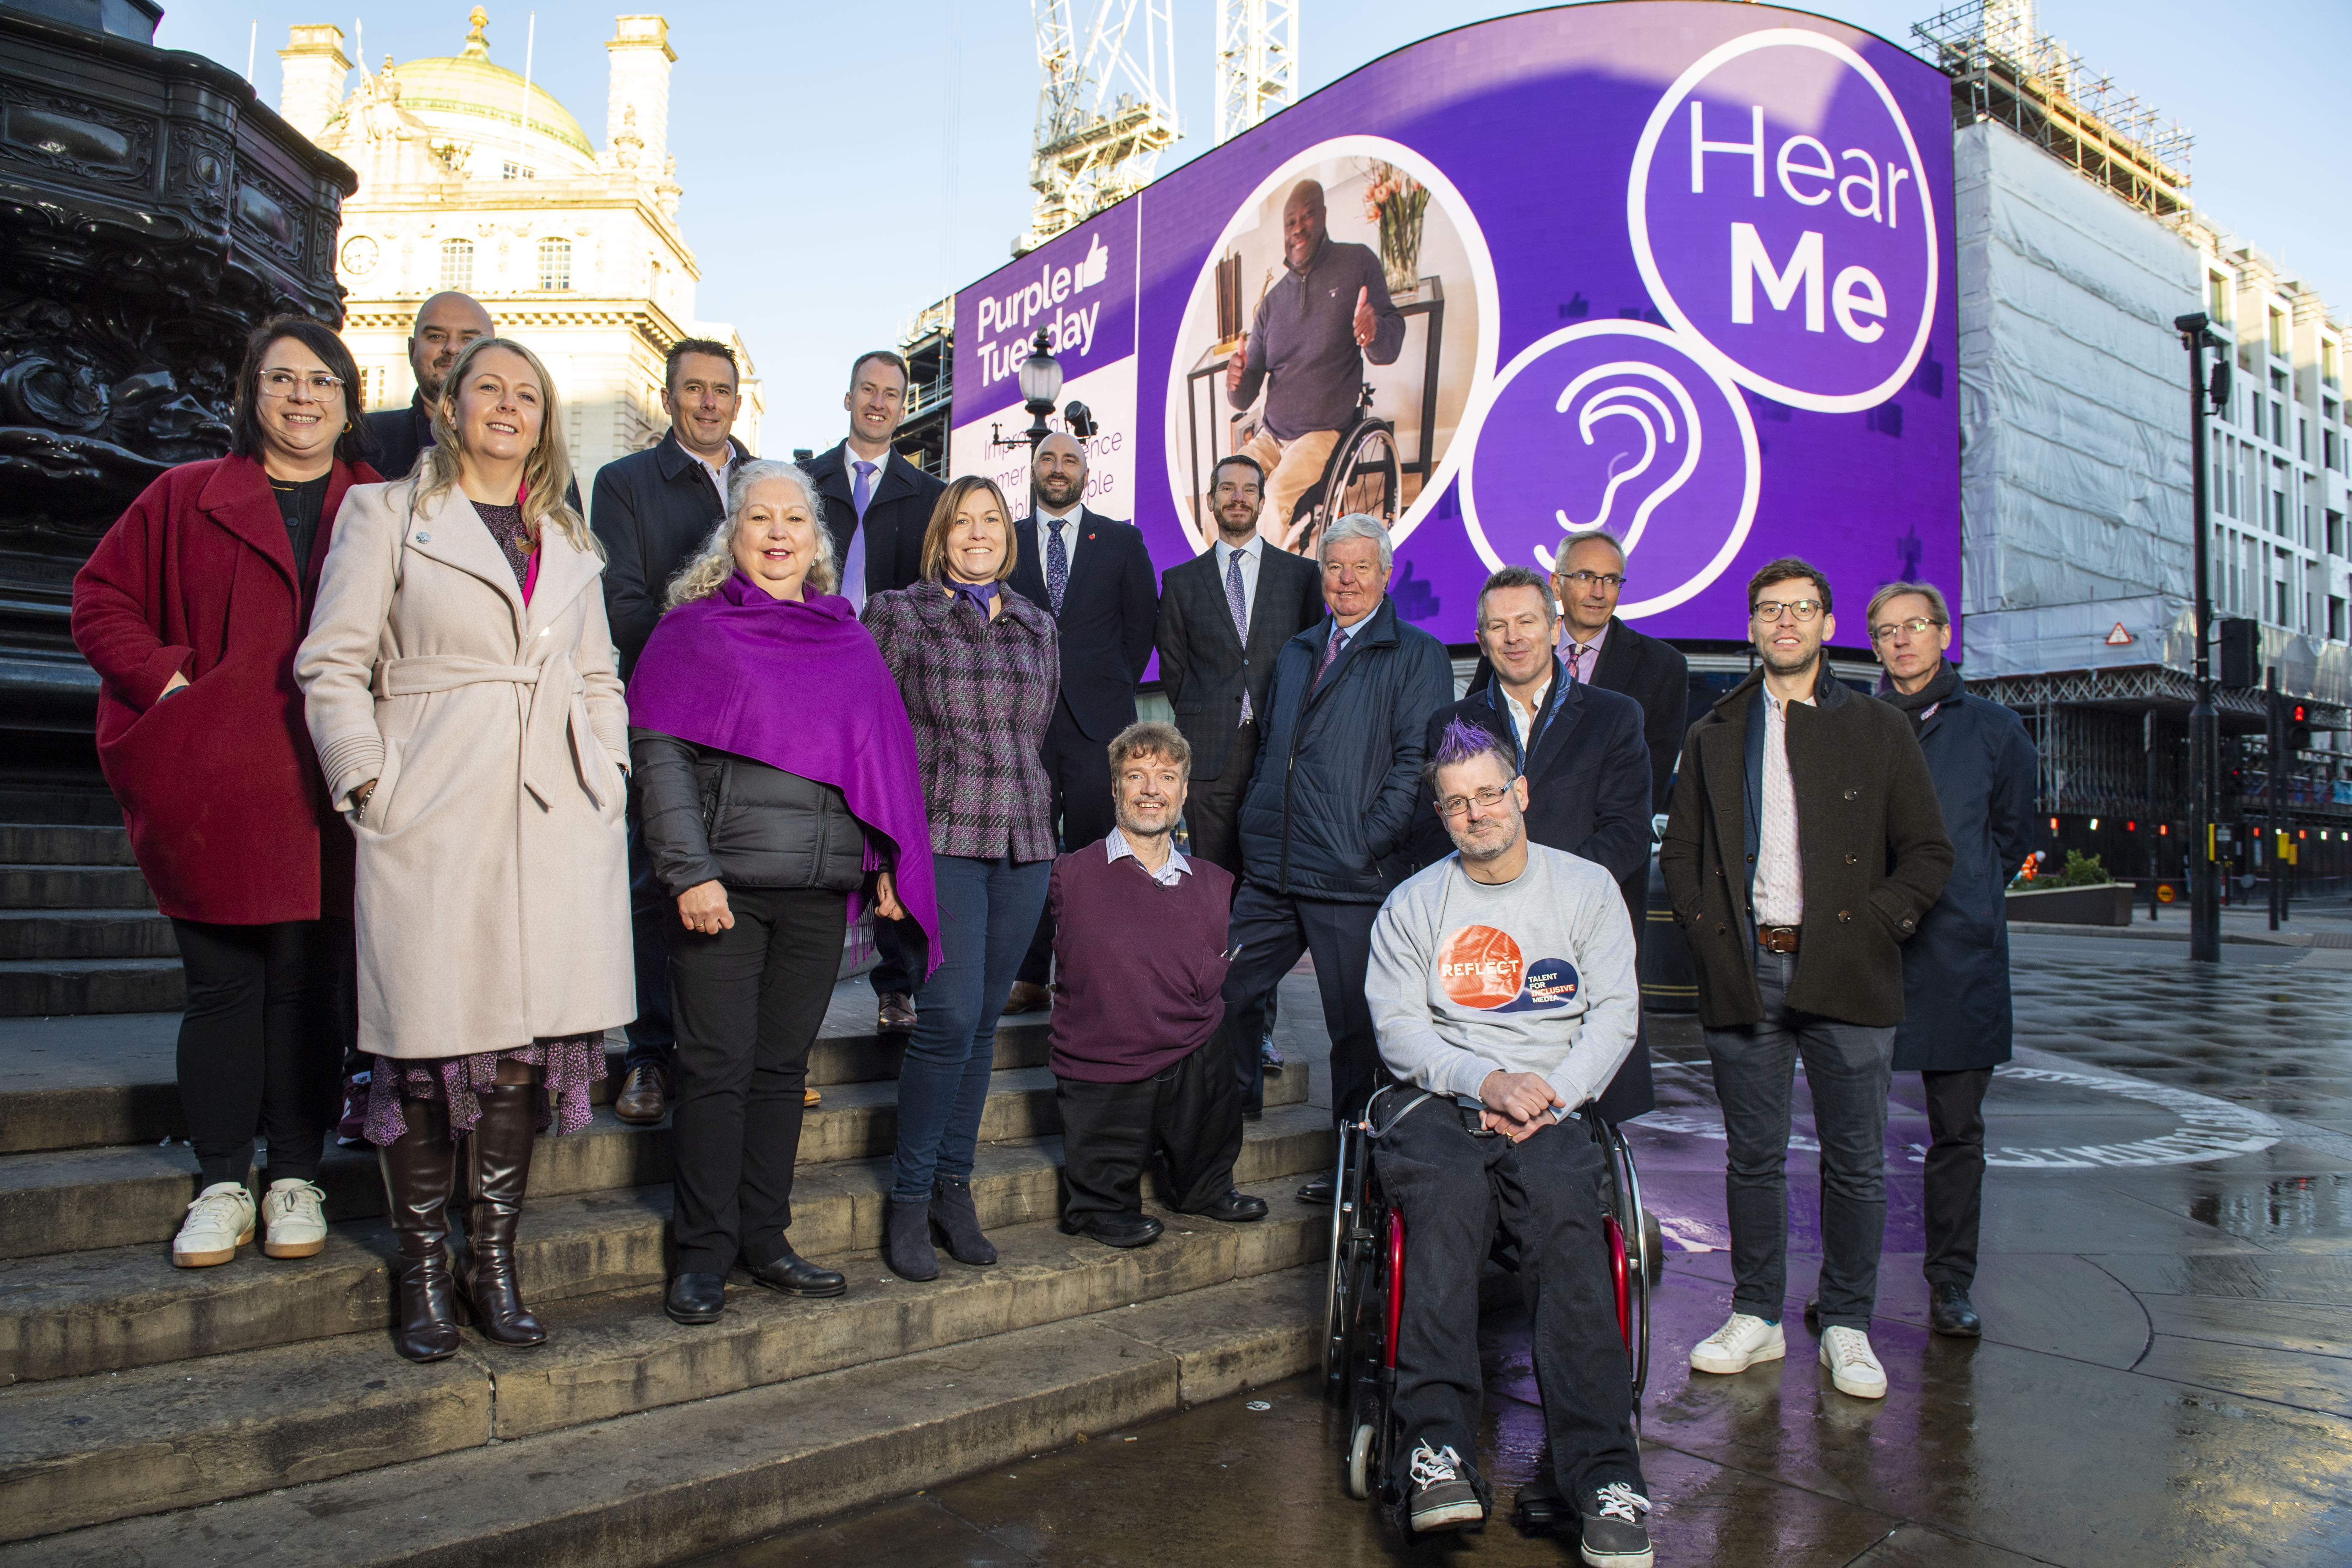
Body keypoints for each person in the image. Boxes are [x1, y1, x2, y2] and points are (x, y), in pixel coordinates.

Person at [297, 336, 633, 1364]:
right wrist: (366, 778)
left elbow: (597, 674)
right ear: (446, 407)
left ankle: (494, 1261)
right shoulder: (385, 513)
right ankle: (424, 1271)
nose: (506, 405)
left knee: (523, 1052)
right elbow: (332, 663)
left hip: (552, 816)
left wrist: (605, 772)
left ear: (544, 421)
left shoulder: (569, 534)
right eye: (486, 386)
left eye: (525, 394)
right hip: (434, 800)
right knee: (429, 1042)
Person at [71, 317, 381, 1269]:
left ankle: (294, 1170)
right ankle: (218, 1178)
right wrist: (171, 684)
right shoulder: (183, 494)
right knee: (221, 988)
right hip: (218, 784)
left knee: (309, 990)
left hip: (328, 783)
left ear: (346, 401)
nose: (301, 397)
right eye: (282, 379)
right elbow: (99, 599)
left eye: (321, 382)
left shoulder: (380, 503)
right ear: (251, 393)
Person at [627, 459, 939, 1324]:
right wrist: (689, 871)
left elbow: (876, 765)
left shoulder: (847, 637)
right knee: (717, 1070)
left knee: (778, 1072)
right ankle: (701, 1254)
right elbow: (661, 758)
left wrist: (883, 864)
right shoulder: (693, 631)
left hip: (817, 888)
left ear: (817, 541)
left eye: (792, 520)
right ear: (733, 536)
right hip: (721, 887)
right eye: (758, 518)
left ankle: (764, 1237)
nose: (776, 533)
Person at [1659, 557, 1952, 1400]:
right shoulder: (1714, 728)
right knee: (1753, 1156)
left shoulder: (1878, 726)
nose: (1785, 621)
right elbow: (1683, 849)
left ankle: (1849, 1324)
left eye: (1802, 608)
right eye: (1769, 609)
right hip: (1747, 965)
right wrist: (1707, 928)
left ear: (1827, 624)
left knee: (1856, 1157)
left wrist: (1877, 922)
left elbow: (1930, 852)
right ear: (1752, 625)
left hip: (1848, 964)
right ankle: (1755, 1315)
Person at [1365, 720, 1652, 1563]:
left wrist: (1548, 1093)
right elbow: (1398, 1032)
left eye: (1489, 792)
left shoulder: (1587, 887)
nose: (1475, 812)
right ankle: (1438, 1449)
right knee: (1447, 1202)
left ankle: (1603, 1472)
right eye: (1455, 802)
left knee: (1568, 1210)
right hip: (1437, 1098)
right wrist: (1484, 1081)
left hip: (1553, 1101)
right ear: (1442, 813)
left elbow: (1615, 1017)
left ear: (1520, 791)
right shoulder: (1413, 904)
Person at [863, 476, 1059, 1282]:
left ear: (1006, 536)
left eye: (991, 521)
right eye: (963, 522)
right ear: (940, 533)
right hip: (938, 836)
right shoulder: (899, 613)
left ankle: (954, 1190)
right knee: (944, 1017)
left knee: (983, 1024)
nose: (977, 533)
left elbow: (1036, 732)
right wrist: (881, 859)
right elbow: (872, 740)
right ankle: (908, 1200)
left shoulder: (1037, 624)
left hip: (1023, 841)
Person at [1218, 513, 1453, 1176]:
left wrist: (1367, 843)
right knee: (1225, 989)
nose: (1346, 580)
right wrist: (1255, 827)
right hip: (1274, 869)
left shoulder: (1418, 654)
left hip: (1353, 874)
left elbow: (1417, 762)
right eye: (1334, 566)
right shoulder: (1297, 650)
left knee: (1354, 1030)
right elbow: (1271, 749)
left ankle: (1356, 1169)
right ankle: (1231, 1117)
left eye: (1360, 567)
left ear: (1386, 573)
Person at [1410, 565, 1654, 1122]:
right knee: (1481, 1108)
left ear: (1554, 628)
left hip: (1576, 934)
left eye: (1526, 621)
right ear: (1481, 639)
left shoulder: (1614, 717)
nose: (1513, 637)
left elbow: (1626, 831)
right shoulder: (1449, 724)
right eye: (1498, 626)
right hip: (1479, 942)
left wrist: (1546, 895)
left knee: (1581, 1116)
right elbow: (1432, 828)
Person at [591, 338, 755, 1127]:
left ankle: (741, 1056)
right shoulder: (624, 484)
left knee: (751, 883)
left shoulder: (767, 485)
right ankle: (650, 1055)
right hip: (666, 710)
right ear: (670, 396)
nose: (709, 403)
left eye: (722, 389)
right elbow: (621, 603)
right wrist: (710, 647)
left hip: (759, 723)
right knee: (657, 882)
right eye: (694, 389)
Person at [1868, 581, 2034, 1339]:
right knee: (1851, 1134)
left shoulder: (1996, 731)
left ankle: (1950, 1285)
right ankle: (1846, 1289)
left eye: (1914, 626)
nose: (1900, 640)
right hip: (1867, 954)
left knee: (1956, 1133)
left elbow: (2009, 833)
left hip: (1960, 958)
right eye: (1885, 630)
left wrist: (1964, 894)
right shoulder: (1852, 727)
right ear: (1871, 643)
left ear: (1941, 635)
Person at [1049, 721, 1269, 1248]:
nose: (1152, 789)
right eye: (1137, 775)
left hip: (1191, 1055)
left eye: (1166, 776)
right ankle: (1100, 1206)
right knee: (1109, 1080)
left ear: (1185, 791)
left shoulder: (1216, 884)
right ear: (1115, 787)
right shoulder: (1069, 874)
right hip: (1107, 1055)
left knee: (1216, 1040)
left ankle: (1205, 1186)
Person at [805, 349, 946, 1038]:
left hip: (892, 682)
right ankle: (799, 992)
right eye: (869, 389)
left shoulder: (926, 498)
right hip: (813, 673)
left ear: (902, 403)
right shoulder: (806, 482)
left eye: (893, 393)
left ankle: (897, 987)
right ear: (849, 395)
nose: (880, 403)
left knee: (894, 830)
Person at [1003, 431, 1157, 1012]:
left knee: (1097, 851)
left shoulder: (1120, 540)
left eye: (1070, 459)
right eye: (1048, 458)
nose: (1058, 468)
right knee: (1030, 850)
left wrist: (1108, 682)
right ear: (1034, 469)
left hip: (1100, 725)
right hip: (1026, 723)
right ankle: (1028, 974)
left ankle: (1090, 971)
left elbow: (1141, 627)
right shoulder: (1008, 542)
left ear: (1087, 472)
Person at [1152, 453, 1326, 878]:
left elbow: (1315, 656)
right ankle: (1220, 948)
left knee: (1272, 872)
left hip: (1279, 746)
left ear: (1262, 502)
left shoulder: (1301, 575)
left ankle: (1261, 947)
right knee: (1213, 876)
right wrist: (1207, 712)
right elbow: (1174, 666)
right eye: (1228, 489)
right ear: (1211, 500)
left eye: (1249, 490)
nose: (1239, 498)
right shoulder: (1180, 581)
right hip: (1209, 750)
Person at [1224, 179, 1406, 550]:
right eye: (1291, 221)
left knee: (1274, 501)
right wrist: (1236, 381)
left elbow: (1390, 343)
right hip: (1271, 435)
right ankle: (1227, 586)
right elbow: (1245, 396)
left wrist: (1373, 332)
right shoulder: (1272, 304)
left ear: (1323, 216)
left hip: (1322, 433)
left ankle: (1269, 598)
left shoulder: (1357, 264)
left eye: (1308, 215)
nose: (1299, 227)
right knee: (1227, 488)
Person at [365, 291, 494, 482]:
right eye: (436, 336)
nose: (452, 348)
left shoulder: (521, 443)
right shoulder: (365, 439)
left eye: (468, 339)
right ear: (412, 350)